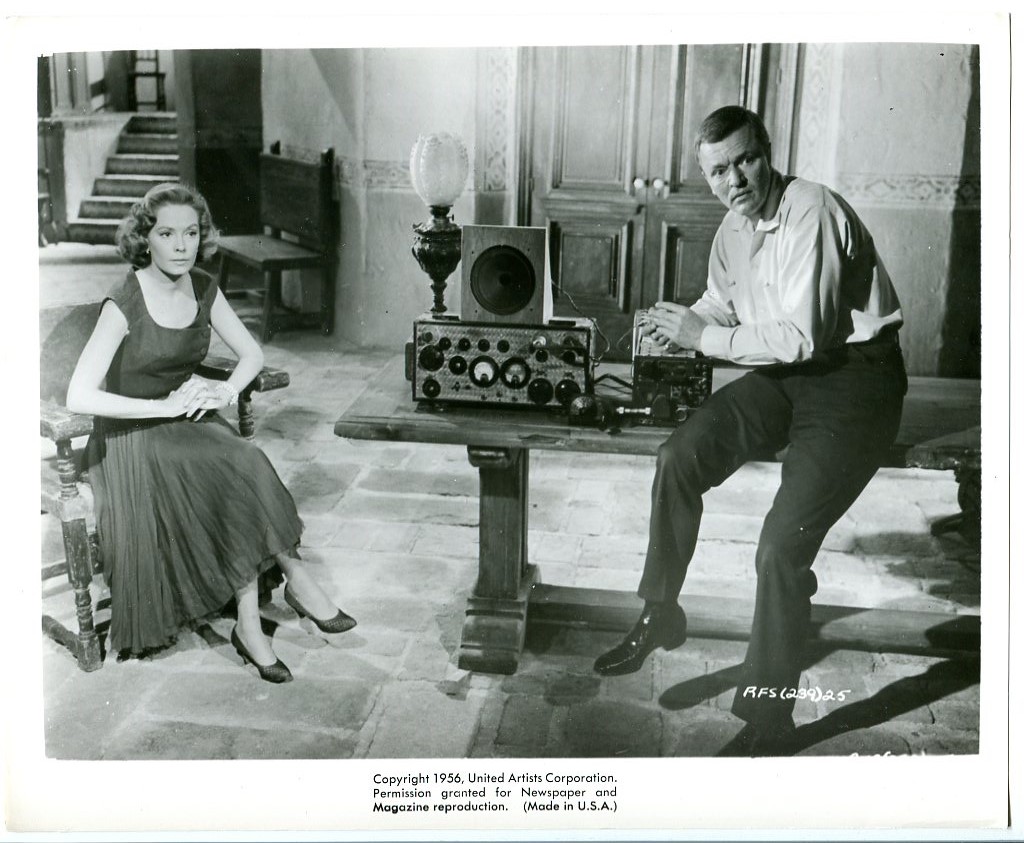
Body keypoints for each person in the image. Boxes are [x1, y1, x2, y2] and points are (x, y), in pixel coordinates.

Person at [593, 106, 907, 755]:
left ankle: (770, 721)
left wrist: (702, 338)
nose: (734, 179)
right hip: (789, 377)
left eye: (745, 161)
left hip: (856, 381)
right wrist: (680, 324)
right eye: (718, 170)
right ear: (706, 176)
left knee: (779, 548)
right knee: (678, 456)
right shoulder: (734, 227)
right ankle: (660, 611)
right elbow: (723, 302)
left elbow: (799, 336)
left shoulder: (810, 209)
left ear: (767, 153)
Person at [67, 182, 355, 684]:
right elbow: (79, 396)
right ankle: (288, 587)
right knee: (230, 468)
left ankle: (255, 615)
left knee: (246, 460)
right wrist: (159, 405)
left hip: (184, 423)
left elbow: (252, 355)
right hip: (131, 436)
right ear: (145, 238)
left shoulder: (202, 286)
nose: (181, 246)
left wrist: (224, 392)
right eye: (167, 234)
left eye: (191, 233)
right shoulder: (125, 300)